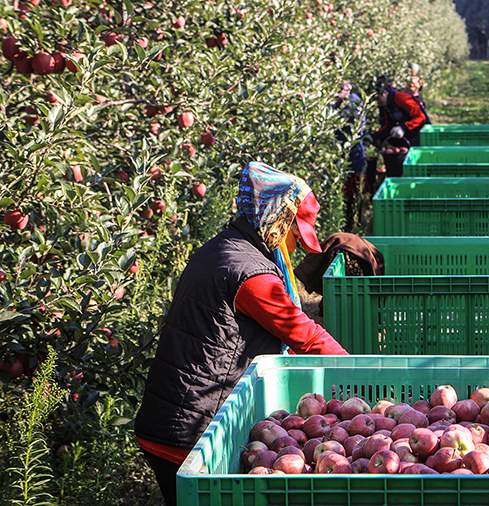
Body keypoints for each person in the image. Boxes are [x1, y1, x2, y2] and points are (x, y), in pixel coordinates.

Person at [134, 162, 349, 506]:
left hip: (174, 416)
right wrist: (357, 369)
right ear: (277, 220)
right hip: (190, 429)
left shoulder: (226, 248)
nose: (295, 247)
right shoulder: (251, 274)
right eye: (295, 235)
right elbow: (304, 335)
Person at [333, 81, 367, 232]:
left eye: (345, 89)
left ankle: (355, 222)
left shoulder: (354, 101)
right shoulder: (331, 103)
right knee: (340, 191)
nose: (343, 92)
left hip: (354, 153)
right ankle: (342, 223)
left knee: (354, 189)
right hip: (337, 153)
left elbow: (360, 127)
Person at [373, 75, 428, 151]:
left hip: (421, 134)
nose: (377, 101)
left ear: (384, 93)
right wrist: (376, 137)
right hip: (407, 140)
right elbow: (387, 125)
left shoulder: (401, 98)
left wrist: (404, 127)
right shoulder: (386, 105)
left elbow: (421, 117)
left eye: (377, 97)